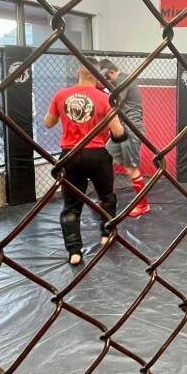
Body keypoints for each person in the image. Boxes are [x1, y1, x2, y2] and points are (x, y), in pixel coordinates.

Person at [44, 57, 128, 266]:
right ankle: (106, 234)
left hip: (69, 155)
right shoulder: (105, 98)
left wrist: (65, 116)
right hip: (97, 154)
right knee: (106, 196)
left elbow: (48, 123)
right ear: (98, 75)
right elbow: (119, 133)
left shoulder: (61, 95)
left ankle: (74, 251)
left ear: (78, 72)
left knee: (71, 205)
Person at [99, 59, 150, 217]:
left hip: (131, 129)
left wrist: (98, 92)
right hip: (120, 129)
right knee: (105, 158)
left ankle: (143, 205)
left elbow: (115, 103)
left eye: (107, 78)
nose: (106, 81)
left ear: (112, 72)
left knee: (130, 168)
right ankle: (107, 199)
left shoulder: (124, 80)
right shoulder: (117, 83)